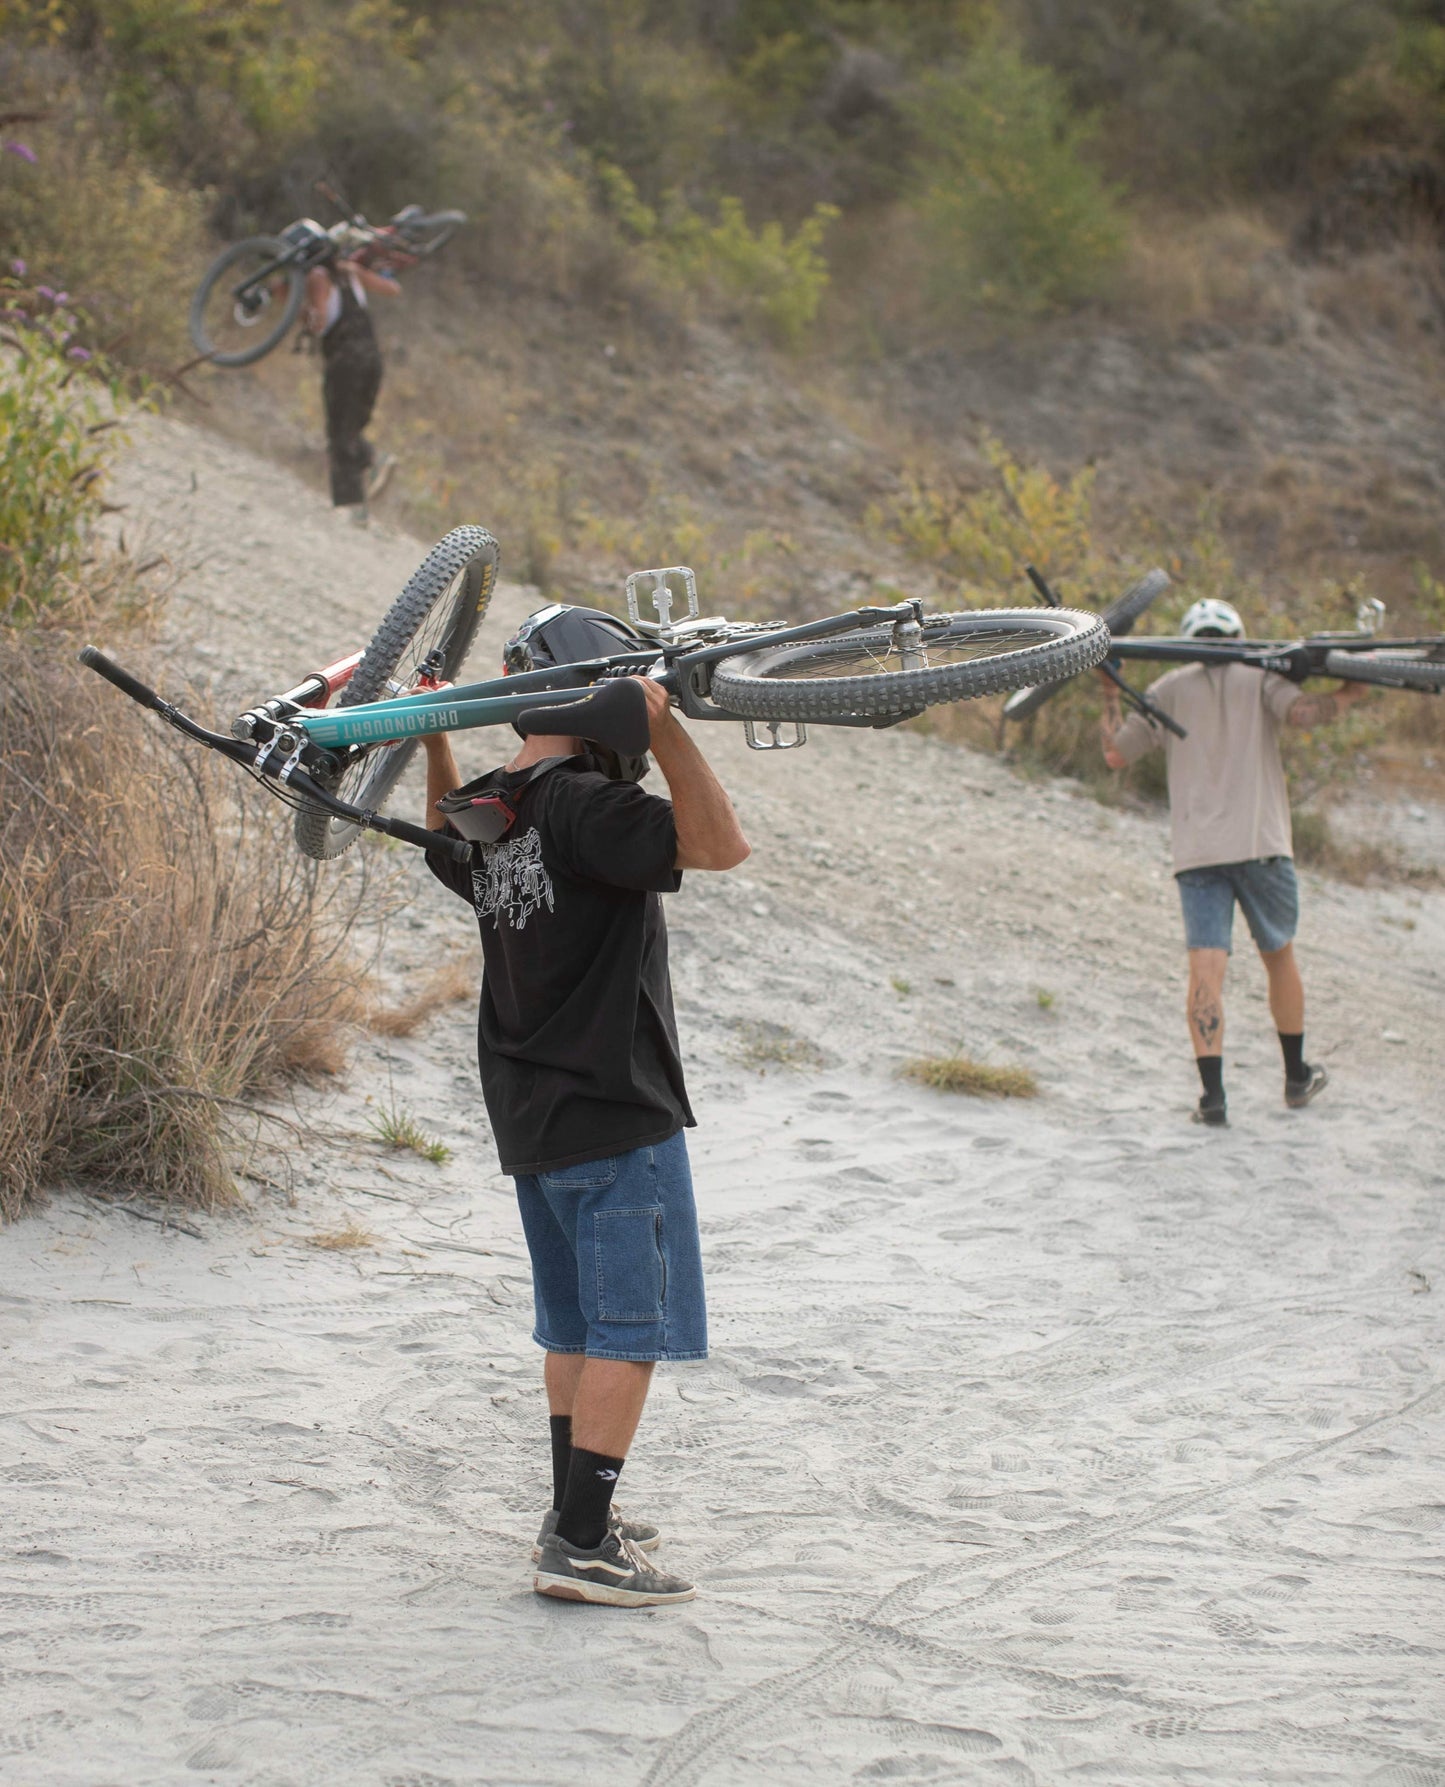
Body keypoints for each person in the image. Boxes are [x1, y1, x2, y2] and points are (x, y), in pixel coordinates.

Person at [420, 607, 750, 1606]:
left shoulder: (494, 804)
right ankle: (581, 1538)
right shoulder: (580, 806)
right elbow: (719, 845)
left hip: (531, 1113)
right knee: (627, 1328)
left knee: (572, 1319)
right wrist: (667, 728)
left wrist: (436, 734)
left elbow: (444, 842)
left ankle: (572, 1504)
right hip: (614, 1110)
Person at [1099, 596, 1372, 1127]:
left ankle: (1213, 1097)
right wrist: (1348, 693)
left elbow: (1115, 753)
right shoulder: (1261, 678)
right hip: (1261, 844)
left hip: (1198, 853)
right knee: (1279, 957)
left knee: (1206, 970)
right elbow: (1304, 715)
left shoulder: (1167, 689)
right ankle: (1296, 1078)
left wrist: (1110, 692)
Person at [301, 256, 400, 523]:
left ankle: (351, 508)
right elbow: (392, 289)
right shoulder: (352, 273)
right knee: (351, 430)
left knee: (339, 434)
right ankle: (374, 467)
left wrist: (308, 320)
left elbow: (319, 320)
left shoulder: (317, 276)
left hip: (344, 359)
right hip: (372, 359)